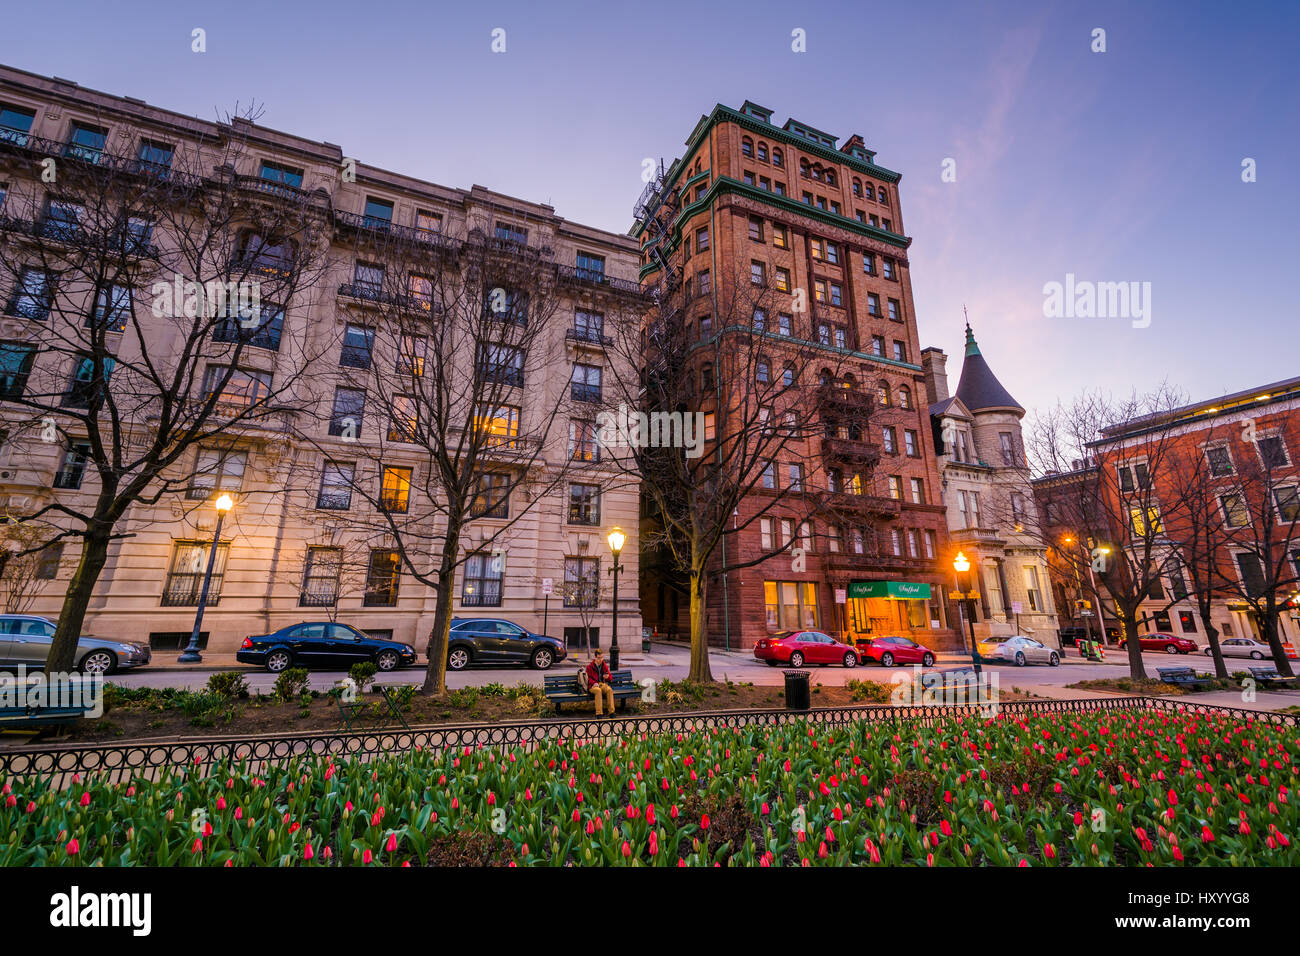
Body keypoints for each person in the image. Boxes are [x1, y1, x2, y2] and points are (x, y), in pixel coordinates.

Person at [585, 648, 614, 715]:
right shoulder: (590, 667)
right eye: (598, 658)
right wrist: (594, 683)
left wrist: (607, 677)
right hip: (593, 686)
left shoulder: (604, 665)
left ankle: (611, 712)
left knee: (609, 690)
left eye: (601, 658)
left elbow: (610, 677)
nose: (600, 660)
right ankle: (599, 713)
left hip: (601, 684)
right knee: (598, 691)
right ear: (595, 658)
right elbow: (588, 679)